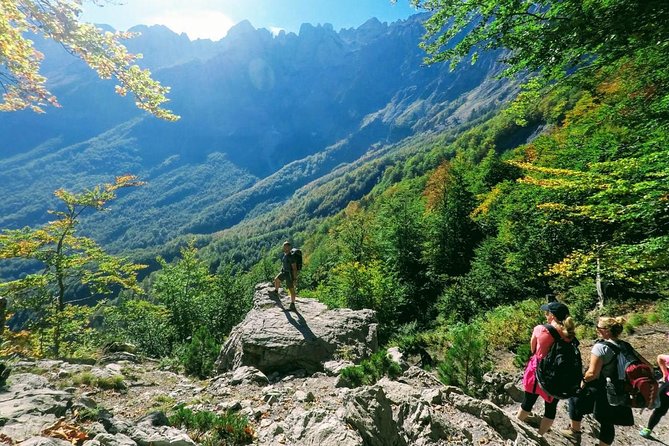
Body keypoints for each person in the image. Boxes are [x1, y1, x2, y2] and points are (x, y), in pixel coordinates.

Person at [561, 316, 652, 445]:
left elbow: (593, 373)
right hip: (621, 389)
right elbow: (648, 366)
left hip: (602, 389)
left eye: (599, 327)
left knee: (574, 398)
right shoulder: (625, 345)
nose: (597, 329)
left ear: (606, 331)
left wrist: (583, 382)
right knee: (607, 422)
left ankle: (574, 432)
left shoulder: (600, 347)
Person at [517, 300, 576, 436]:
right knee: (550, 408)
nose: (545, 314)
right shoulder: (569, 334)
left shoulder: (540, 329)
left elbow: (533, 349)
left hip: (538, 371)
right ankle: (540, 435)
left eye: (547, 312)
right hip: (557, 375)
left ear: (553, 316)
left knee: (528, 402)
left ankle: (517, 427)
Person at [274, 241, 298, 311]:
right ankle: (276, 292)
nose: (285, 248)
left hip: (289, 274)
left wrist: (295, 278)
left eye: (286, 247)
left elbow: (294, 268)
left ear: (289, 247)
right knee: (276, 280)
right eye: (284, 247)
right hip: (284, 272)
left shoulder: (291, 257)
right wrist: (281, 270)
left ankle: (293, 304)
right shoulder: (285, 254)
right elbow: (284, 264)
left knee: (291, 289)